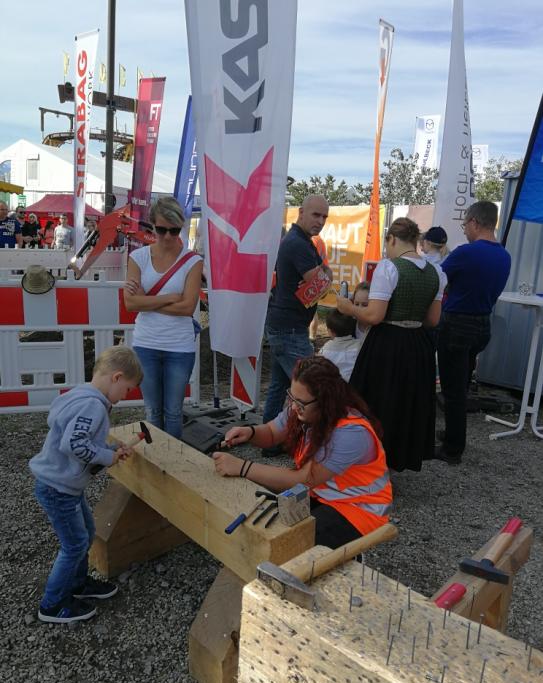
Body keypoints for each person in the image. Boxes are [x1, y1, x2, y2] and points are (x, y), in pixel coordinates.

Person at [213, 356, 392, 548]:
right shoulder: (303, 407)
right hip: (320, 496)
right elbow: (272, 433)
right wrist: (250, 432)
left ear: (325, 401)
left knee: (288, 545)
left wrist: (242, 467)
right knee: (272, 533)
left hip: (358, 509)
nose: (293, 406)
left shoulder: (351, 433)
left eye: (300, 402)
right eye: (291, 397)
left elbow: (303, 479)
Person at [30, 346, 143, 624]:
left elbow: (76, 433)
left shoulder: (81, 394)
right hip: (58, 488)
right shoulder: (92, 405)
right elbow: (74, 443)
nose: (125, 396)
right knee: (74, 544)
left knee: (87, 532)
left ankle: (78, 585)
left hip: (64, 485)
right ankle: (53, 604)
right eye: (127, 389)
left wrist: (108, 447)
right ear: (116, 377)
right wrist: (108, 457)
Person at [337, 217, 447, 472]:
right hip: (418, 345)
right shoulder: (436, 273)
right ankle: (396, 459)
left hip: (387, 344)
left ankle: (368, 461)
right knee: (406, 404)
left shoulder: (389, 268)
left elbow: (374, 315)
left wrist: (348, 307)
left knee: (378, 402)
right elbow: (432, 320)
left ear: (393, 239)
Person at [435, 201, 511, 465]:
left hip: (457, 324)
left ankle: (453, 449)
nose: (465, 229)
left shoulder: (465, 253)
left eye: (465, 223)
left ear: (475, 222)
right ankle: (454, 433)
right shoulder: (504, 255)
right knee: (462, 384)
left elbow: (437, 278)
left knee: (452, 390)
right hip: (482, 325)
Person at [124, 196, 203, 440]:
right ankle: (154, 463)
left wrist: (146, 301)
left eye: (174, 230)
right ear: (152, 226)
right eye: (161, 230)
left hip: (179, 347)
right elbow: (130, 303)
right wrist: (170, 297)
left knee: (173, 412)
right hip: (146, 344)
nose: (168, 236)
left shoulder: (193, 261)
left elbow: (188, 307)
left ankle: (173, 467)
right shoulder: (138, 258)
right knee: (153, 411)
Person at [263, 195, 332, 453]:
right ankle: (306, 445)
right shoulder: (298, 244)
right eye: (316, 215)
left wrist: (321, 277)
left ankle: (269, 442)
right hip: (289, 328)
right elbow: (322, 286)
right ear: (301, 212)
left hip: (287, 325)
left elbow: (320, 282)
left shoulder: (301, 241)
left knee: (280, 386)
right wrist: (323, 276)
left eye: (324, 217)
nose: (321, 221)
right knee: (313, 387)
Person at [320, 309, 362, 381]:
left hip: (334, 386)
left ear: (330, 331)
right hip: (354, 385)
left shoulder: (325, 349)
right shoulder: (360, 346)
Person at [308, 234, 330, 342]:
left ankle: (311, 337)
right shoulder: (320, 240)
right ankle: (312, 337)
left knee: (311, 310)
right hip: (320, 275)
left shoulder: (311, 240)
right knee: (314, 309)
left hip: (311, 276)